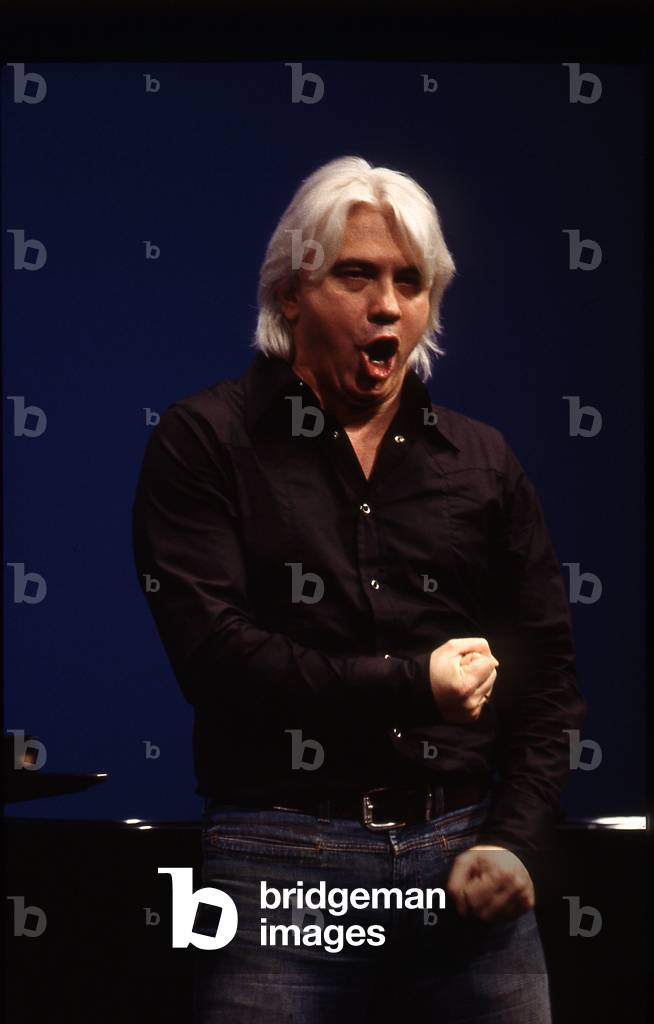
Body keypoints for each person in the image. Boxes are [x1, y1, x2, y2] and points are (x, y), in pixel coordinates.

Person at [131, 155, 586, 1022]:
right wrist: (413, 684)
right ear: (292, 292)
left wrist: (520, 841)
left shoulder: (482, 461)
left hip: (464, 854)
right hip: (274, 863)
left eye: (410, 282)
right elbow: (217, 657)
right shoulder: (205, 442)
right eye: (357, 274)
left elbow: (550, 677)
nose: (387, 304)